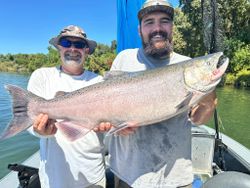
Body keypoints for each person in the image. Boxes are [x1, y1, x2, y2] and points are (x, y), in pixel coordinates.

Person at [107, 0, 218, 187]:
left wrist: (209, 101)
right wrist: (114, 121)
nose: (157, 28)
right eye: (149, 22)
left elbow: (198, 120)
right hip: (129, 176)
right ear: (139, 30)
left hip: (176, 178)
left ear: (172, 27)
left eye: (164, 21)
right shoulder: (124, 59)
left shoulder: (188, 63)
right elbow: (106, 107)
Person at [27, 25, 107, 188]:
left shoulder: (99, 82)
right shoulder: (42, 76)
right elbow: (29, 121)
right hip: (53, 178)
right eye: (66, 42)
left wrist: (107, 127)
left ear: (86, 50)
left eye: (78, 45)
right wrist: (39, 130)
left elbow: (110, 125)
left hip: (93, 176)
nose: (72, 48)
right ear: (59, 47)